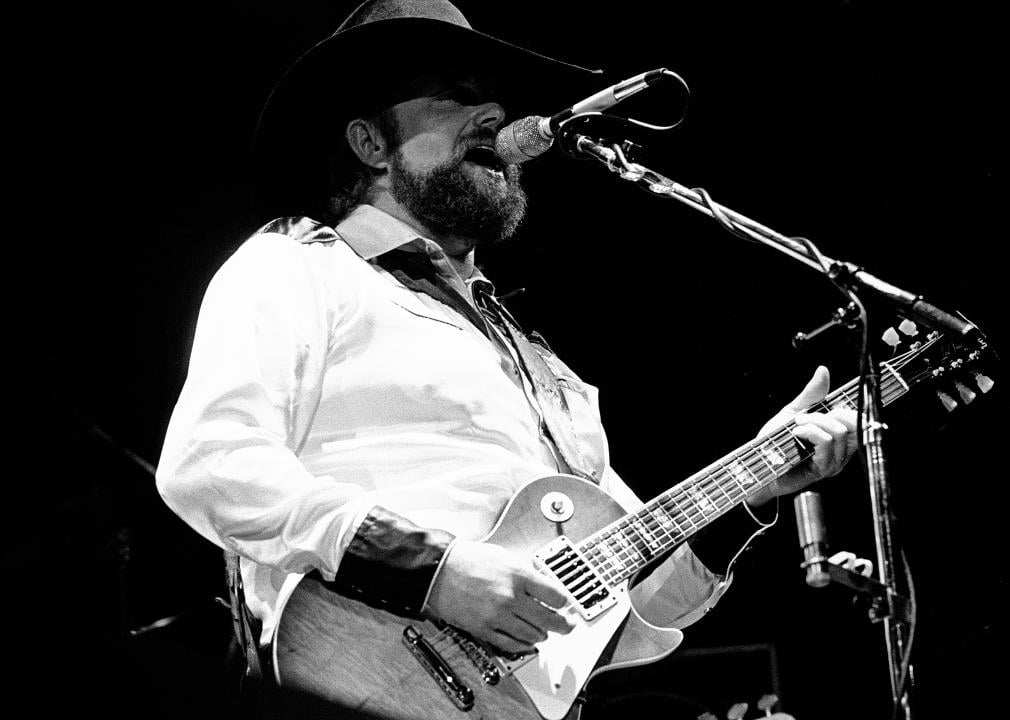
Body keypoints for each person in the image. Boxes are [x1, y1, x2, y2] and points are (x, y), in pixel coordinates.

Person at [155, 1, 857, 716]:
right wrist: (432, 569)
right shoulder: (296, 263)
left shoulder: (534, 360)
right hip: (350, 677)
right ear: (371, 143)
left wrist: (751, 491)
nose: (492, 111)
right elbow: (211, 463)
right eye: (455, 95)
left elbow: (646, 605)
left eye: (493, 96)